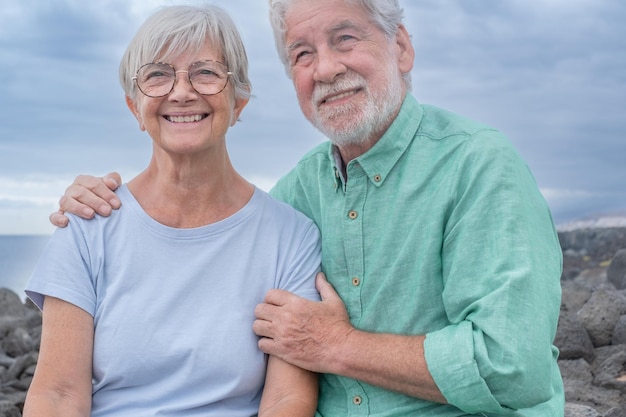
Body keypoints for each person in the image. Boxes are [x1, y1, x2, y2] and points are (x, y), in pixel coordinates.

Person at [49, 0, 565, 415]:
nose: (327, 69)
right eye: (302, 54)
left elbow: (512, 366)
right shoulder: (299, 194)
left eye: (345, 38)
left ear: (401, 47)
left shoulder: (477, 164)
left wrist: (337, 346)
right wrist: (93, 207)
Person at [24, 5, 321, 417]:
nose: (181, 92)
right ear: (135, 108)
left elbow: (287, 401)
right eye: (157, 75)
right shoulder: (87, 227)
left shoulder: (291, 237)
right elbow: (56, 397)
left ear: (239, 103)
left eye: (206, 72)